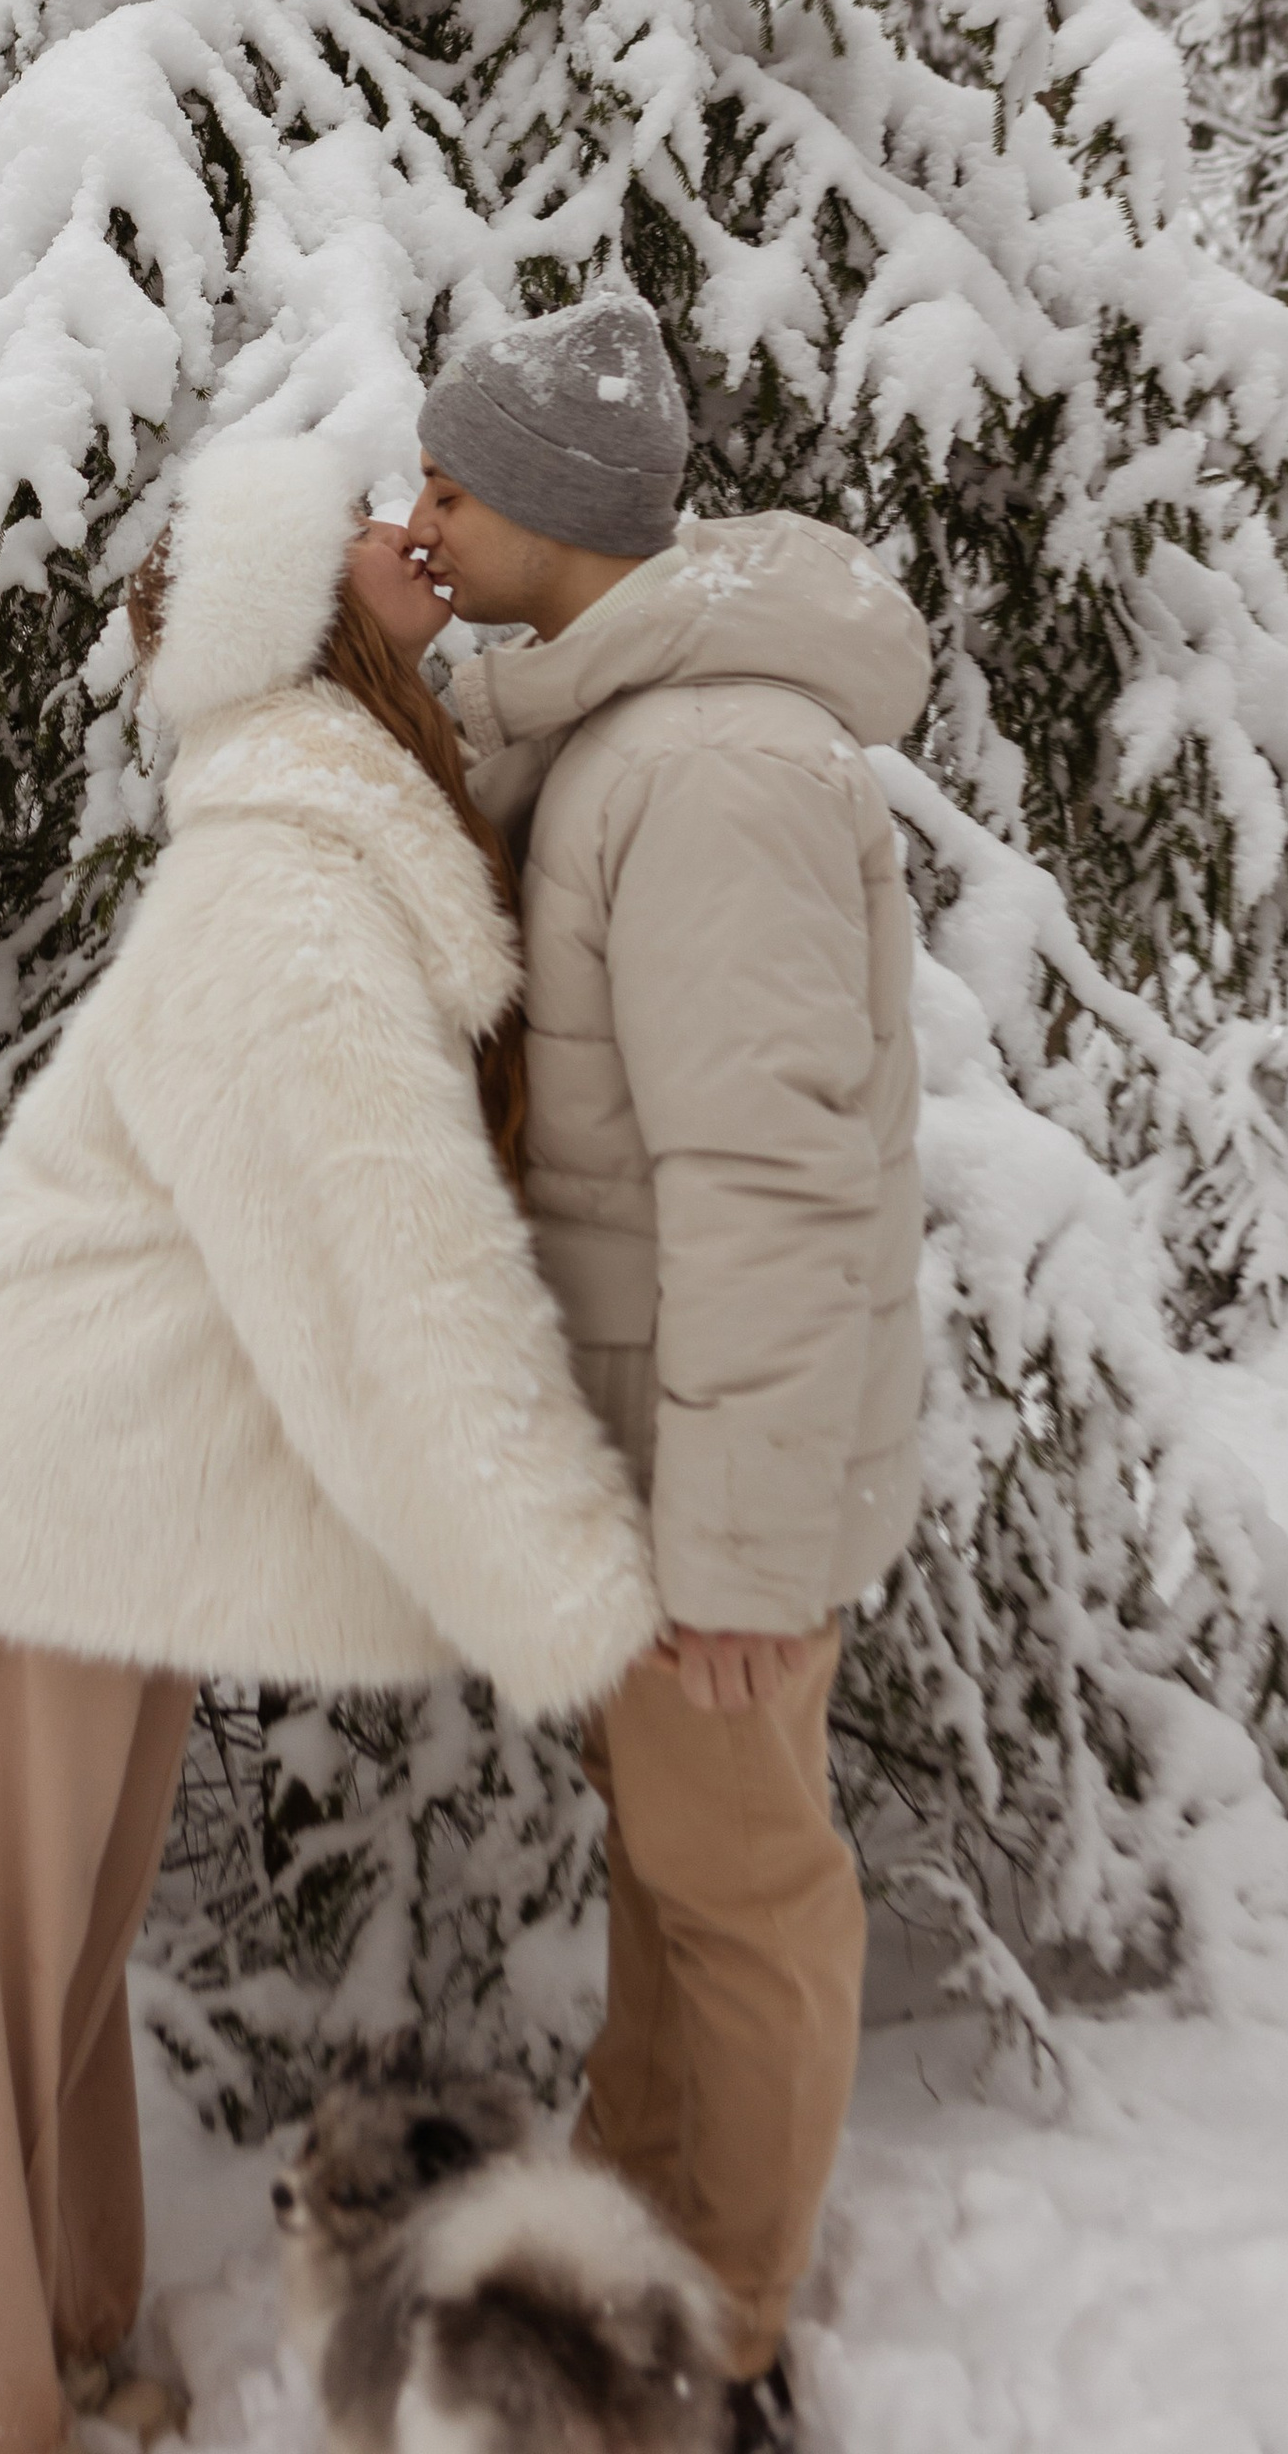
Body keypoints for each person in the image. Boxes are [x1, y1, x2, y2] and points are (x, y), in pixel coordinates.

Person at [0, 433, 658, 2454]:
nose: (399, 520)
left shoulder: (332, 829)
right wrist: (564, 1586)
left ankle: (53, 2330)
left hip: (97, 1463)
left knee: (51, 1948)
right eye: (355, 508)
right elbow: (388, 1282)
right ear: (300, 611)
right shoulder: (280, 880)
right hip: (44, 1460)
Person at [397, 296, 931, 2454]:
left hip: (713, 1480)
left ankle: (714, 2334)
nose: (417, 520)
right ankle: (634, 2225)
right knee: (671, 1865)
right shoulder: (622, 738)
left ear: (546, 511)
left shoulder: (706, 768)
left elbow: (769, 1191)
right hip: (641, 1447)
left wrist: (736, 1551)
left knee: (741, 1881)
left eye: (448, 487)